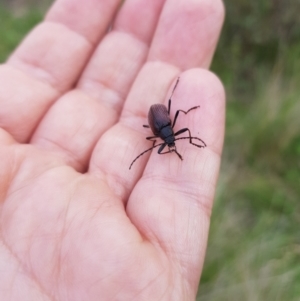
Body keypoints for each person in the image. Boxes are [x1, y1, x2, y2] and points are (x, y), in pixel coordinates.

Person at [0, 0, 225, 299]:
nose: (170, 144)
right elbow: (157, 133)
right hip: (156, 116)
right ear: (164, 135)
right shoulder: (158, 130)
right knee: (168, 125)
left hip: (158, 117)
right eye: (171, 142)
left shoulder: (165, 131)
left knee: (178, 120)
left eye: (171, 143)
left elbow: (166, 132)